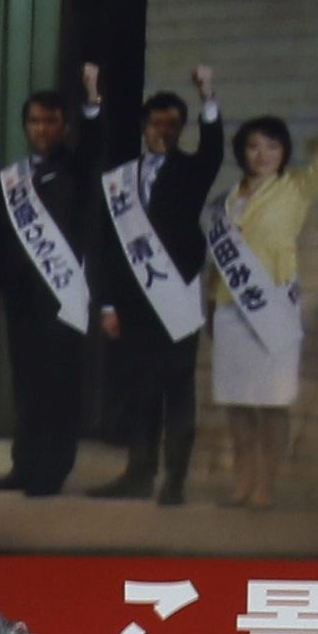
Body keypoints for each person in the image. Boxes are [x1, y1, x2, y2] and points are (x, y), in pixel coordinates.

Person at [204, 82, 318, 508]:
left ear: (283, 151)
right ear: (241, 152)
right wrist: (209, 307)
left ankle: (266, 484)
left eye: (271, 146)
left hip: (273, 311)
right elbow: (217, 260)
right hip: (231, 310)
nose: (262, 155)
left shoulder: (295, 188)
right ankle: (242, 481)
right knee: (237, 404)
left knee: (271, 404)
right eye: (253, 146)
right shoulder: (226, 201)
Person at [87, 65, 220, 507]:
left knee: (178, 391)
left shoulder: (193, 169)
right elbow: (107, 243)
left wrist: (207, 96)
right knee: (140, 391)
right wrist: (107, 305)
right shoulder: (121, 178)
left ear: (182, 129)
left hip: (176, 296)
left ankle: (174, 481)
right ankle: (137, 474)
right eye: (156, 123)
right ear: (143, 127)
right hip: (131, 302)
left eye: (172, 124)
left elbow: (215, 150)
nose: (163, 130)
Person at [0, 74, 104, 498]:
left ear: (65, 126)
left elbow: (94, 145)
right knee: (26, 385)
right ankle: (24, 465)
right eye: (34, 121)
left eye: (51, 121)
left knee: (59, 386)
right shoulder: (11, 177)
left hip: (64, 295)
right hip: (21, 297)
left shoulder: (78, 168)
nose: (42, 129)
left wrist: (91, 100)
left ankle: (53, 469)